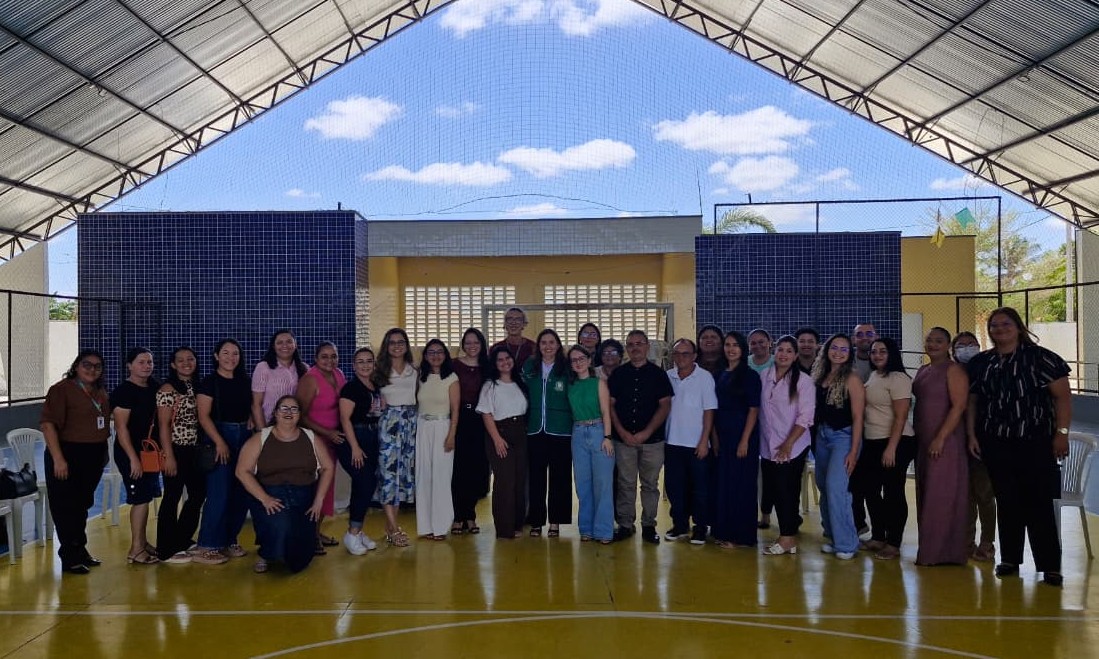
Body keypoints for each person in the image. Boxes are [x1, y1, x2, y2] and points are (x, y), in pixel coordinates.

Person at [967, 308, 1071, 587]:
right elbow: (974, 402)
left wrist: (1061, 433)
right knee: (1007, 501)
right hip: (995, 441)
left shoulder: (1042, 358)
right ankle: (1010, 559)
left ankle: (1050, 565)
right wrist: (972, 435)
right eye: (994, 325)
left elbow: (1063, 397)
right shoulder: (982, 363)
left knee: (1039, 502)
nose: (999, 329)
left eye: (1006, 324)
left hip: (1035, 441)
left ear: (1018, 326)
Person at [236, 395, 335, 574]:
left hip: (303, 497)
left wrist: (319, 500)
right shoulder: (261, 438)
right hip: (271, 495)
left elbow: (328, 467)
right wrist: (264, 498)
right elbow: (242, 471)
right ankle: (266, 553)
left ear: (299, 414)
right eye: (284, 408)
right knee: (281, 525)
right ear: (275, 413)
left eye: (294, 409)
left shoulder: (310, 437)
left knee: (300, 556)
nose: (289, 412)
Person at [40, 350, 111, 574]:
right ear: (76, 367)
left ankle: (80, 550)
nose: (92, 370)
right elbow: (48, 425)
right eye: (87, 365)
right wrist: (58, 459)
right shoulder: (62, 390)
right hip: (68, 454)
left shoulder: (99, 391)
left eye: (97, 366)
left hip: (93, 456)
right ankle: (69, 556)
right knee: (66, 507)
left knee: (82, 506)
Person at [156, 347, 223, 564]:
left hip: (194, 449)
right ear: (173, 365)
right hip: (176, 448)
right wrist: (168, 455)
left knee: (197, 494)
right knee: (172, 496)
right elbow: (163, 425)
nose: (186, 363)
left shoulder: (196, 385)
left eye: (190, 359)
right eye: (181, 360)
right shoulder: (168, 388)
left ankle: (182, 538)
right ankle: (165, 548)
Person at [852, 337, 915, 560]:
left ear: (892, 354)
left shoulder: (898, 378)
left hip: (896, 441)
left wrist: (891, 448)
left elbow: (901, 416)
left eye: (882, 351)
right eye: (874, 352)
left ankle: (894, 541)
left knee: (892, 491)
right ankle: (878, 535)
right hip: (873, 440)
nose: (877, 355)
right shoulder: (874, 376)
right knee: (867, 488)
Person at [912, 327, 971, 567]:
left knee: (942, 496)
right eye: (929, 340)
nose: (933, 345)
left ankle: (942, 553)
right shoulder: (923, 370)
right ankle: (929, 549)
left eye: (939, 341)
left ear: (948, 346)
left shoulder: (953, 370)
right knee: (927, 495)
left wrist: (941, 438)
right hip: (923, 441)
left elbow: (959, 406)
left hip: (945, 442)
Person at [608, 330, 673, 544]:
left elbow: (665, 405)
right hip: (623, 441)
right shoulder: (618, 374)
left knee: (650, 485)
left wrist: (646, 432)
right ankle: (626, 524)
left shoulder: (658, 374)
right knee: (625, 483)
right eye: (630, 344)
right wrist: (622, 432)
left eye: (639, 343)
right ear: (626, 349)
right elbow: (610, 406)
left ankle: (648, 525)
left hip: (652, 442)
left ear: (647, 346)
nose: (635, 348)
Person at [195, 339, 252, 561]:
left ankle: (229, 540)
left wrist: (250, 421)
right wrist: (219, 441)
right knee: (219, 493)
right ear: (216, 356)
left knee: (241, 492)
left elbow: (251, 406)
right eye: (225, 353)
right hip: (220, 435)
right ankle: (207, 544)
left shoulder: (244, 380)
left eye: (235, 353)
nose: (231, 358)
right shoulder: (209, 382)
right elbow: (203, 416)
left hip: (244, 437)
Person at [758, 336, 815, 555]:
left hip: (793, 445)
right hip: (768, 445)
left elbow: (806, 417)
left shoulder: (803, 381)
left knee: (786, 490)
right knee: (773, 489)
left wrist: (788, 444)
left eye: (789, 351)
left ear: (796, 356)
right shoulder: (765, 376)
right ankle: (786, 535)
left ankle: (787, 538)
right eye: (780, 350)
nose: (783, 354)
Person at [812, 333, 865, 560]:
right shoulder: (819, 375)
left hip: (843, 437)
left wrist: (853, 450)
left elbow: (858, 417)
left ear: (849, 354)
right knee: (824, 486)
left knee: (836, 488)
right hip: (822, 436)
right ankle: (834, 537)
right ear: (827, 350)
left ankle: (847, 544)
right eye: (835, 347)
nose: (839, 353)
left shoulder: (852, 379)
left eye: (844, 349)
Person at [663, 339, 718, 545]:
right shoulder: (668, 376)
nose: (681, 358)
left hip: (697, 444)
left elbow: (709, 411)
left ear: (694, 356)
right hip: (672, 442)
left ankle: (700, 527)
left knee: (700, 489)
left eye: (685, 353)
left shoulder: (704, 378)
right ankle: (680, 525)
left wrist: (704, 440)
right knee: (675, 488)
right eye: (677, 354)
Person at [110, 347, 161, 565]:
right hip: (131, 453)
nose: (147, 366)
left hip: (150, 452)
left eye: (149, 362)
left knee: (146, 496)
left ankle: (142, 541)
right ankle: (136, 549)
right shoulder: (123, 392)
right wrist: (133, 458)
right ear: (129, 366)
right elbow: (121, 428)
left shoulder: (155, 387)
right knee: (139, 498)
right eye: (141, 362)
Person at [711, 332, 762, 549]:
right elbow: (713, 408)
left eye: (735, 345)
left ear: (743, 349)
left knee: (741, 485)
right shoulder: (718, 375)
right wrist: (714, 437)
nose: (731, 349)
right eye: (727, 345)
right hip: (722, 435)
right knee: (723, 484)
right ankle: (723, 531)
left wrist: (744, 440)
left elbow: (753, 410)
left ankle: (741, 536)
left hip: (743, 435)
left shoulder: (750, 376)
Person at [521, 329, 573, 537]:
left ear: (558, 345)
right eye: (543, 342)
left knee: (560, 477)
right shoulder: (529, 365)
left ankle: (556, 522)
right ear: (538, 345)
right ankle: (536, 521)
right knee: (536, 477)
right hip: (535, 429)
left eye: (552, 342)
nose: (548, 346)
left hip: (561, 430)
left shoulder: (566, 367)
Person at [297, 341, 347, 551]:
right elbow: (300, 416)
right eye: (324, 356)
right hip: (315, 442)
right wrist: (327, 433)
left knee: (326, 489)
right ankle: (309, 536)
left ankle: (316, 532)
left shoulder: (338, 374)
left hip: (333, 441)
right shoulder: (310, 379)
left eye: (333, 356)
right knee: (315, 488)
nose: (330, 360)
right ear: (316, 359)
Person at [477, 345, 529, 539]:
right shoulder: (490, 385)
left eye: (507, 358)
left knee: (519, 480)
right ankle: (504, 529)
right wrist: (497, 439)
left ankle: (517, 524)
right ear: (494, 363)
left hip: (520, 433)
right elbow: (486, 413)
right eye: (500, 360)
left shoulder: (520, 382)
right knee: (505, 482)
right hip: (500, 433)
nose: (505, 362)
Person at [952, 331, 996, 562]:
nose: (967, 348)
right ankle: (966, 541)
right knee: (964, 494)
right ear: (953, 351)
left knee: (984, 492)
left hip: (983, 440)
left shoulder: (987, 370)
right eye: (961, 345)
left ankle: (987, 541)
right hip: (955, 441)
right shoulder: (951, 372)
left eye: (972, 344)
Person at [373, 327, 418, 547]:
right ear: (386, 346)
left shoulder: (414, 370)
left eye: (401, 342)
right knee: (388, 474)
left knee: (402, 476)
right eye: (392, 342)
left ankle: (390, 527)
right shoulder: (378, 371)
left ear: (406, 345)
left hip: (410, 424)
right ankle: (394, 527)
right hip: (389, 424)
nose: (397, 346)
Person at [566, 344, 615, 544]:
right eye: (573, 360)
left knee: (602, 484)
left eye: (581, 358)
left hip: (598, 431)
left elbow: (606, 411)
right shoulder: (570, 385)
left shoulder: (599, 383)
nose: (578, 363)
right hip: (578, 433)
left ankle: (604, 530)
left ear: (588, 360)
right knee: (583, 484)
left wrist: (607, 437)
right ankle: (586, 528)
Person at [337, 348, 383, 554]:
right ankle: (352, 533)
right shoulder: (350, 388)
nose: (365, 365)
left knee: (364, 485)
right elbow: (345, 419)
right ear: (354, 366)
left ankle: (356, 530)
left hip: (372, 438)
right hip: (354, 439)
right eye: (360, 362)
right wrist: (355, 447)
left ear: (374, 364)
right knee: (365, 482)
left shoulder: (376, 386)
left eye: (369, 361)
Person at [416, 339, 459, 540]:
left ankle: (440, 526)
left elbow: (455, 410)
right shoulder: (420, 377)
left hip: (443, 427)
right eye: (431, 352)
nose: (435, 355)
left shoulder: (451, 378)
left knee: (441, 477)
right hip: (423, 427)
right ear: (425, 356)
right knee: (423, 476)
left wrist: (451, 435)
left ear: (445, 355)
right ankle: (426, 526)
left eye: (439, 351)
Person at [451, 328, 490, 535]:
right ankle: (458, 517)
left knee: (476, 469)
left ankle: (471, 516)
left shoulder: (488, 366)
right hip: (459, 419)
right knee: (459, 469)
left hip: (481, 420)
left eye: (476, 342)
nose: (472, 346)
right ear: (463, 344)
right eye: (468, 342)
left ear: (482, 344)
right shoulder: (454, 365)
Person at [251, 330, 307, 431]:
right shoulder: (263, 367)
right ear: (273, 346)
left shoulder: (304, 368)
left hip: (295, 427)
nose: (284, 345)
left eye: (289, 342)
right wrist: (263, 433)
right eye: (280, 342)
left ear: (295, 345)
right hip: (269, 425)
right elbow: (256, 404)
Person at [748, 328, 775, 529]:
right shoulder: (745, 363)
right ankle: (748, 511)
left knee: (768, 472)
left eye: (761, 342)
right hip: (749, 423)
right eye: (753, 342)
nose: (758, 346)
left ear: (769, 342)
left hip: (772, 424)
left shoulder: (777, 362)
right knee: (751, 472)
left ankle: (766, 513)